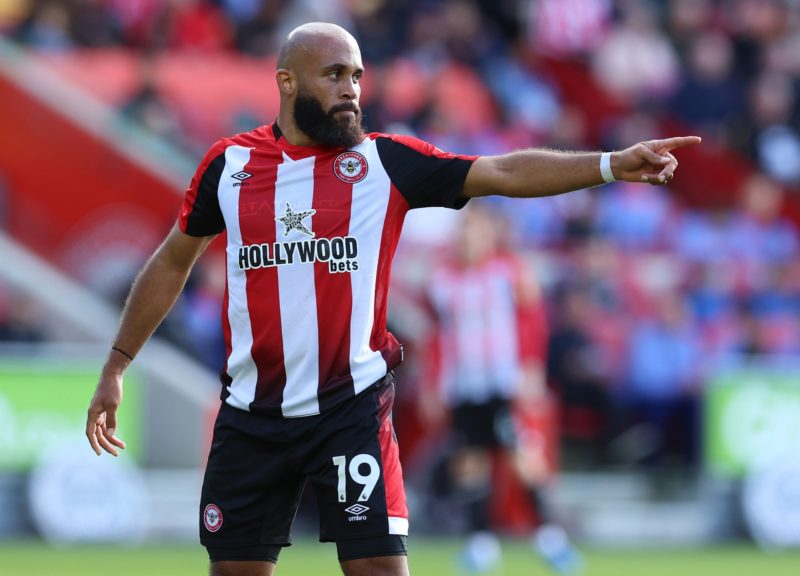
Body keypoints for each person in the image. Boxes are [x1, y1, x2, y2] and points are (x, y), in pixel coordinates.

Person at [85, 21, 700, 576]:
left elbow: (502, 173)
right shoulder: (231, 164)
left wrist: (611, 164)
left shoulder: (385, 164)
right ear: (286, 80)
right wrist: (116, 366)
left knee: (382, 568)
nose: (351, 88)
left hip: (349, 410)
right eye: (333, 75)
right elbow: (172, 262)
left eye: (356, 75)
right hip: (252, 415)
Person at [420, 204, 578, 574]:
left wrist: (531, 367)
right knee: (470, 463)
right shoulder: (442, 280)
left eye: (474, 231)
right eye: (462, 231)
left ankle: (551, 539)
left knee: (523, 459)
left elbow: (532, 322)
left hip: (503, 382)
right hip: (463, 385)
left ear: (489, 235)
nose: (467, 239)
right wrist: (432, 382)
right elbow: (437, 337)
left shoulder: (509, 273)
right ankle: (481, 544)